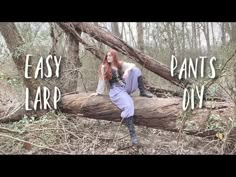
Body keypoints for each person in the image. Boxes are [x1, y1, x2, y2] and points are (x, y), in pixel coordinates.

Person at [91, 48, 153, 146]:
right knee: (129, 105)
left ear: (114, 56)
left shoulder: (119, 64)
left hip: (125, 87)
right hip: (116, 90)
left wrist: (127, 71)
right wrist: (98, 92)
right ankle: (133, 136)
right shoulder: (104, 67)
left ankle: (143, 91)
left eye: (110, 55)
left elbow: (133, 65)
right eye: (107, 55)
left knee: (136, 70)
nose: (108, 57)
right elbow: (101, 80)